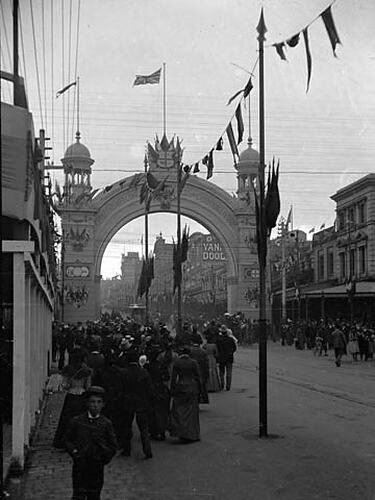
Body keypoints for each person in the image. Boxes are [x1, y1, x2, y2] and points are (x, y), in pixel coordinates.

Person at [65, 386, 118, 500]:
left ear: (103, 405)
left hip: (97, 466)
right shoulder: (77, 421)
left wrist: (104, 457)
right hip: (80, 465)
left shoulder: (106, 423)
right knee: (78, 494)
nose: (95, 405)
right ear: (87, 403)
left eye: (99, 402)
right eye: (92, 402)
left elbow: (113, 445)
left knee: (94, 495)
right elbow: (68, 440)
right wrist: (75, 453)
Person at [53, 348, 92, 449]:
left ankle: (65, 441)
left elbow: (65, 385)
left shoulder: (68, 370)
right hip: (82, 396)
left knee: (67, 420)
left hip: (71, 397)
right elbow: (88, 387)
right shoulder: (87, 371)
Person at [121, 350, 153, 459]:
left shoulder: (123, 373)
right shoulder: (143, 372)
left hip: (128, 402)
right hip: (141, 402)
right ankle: (147, 450)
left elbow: (120, 389)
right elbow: (149, 389)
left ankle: (127, 449)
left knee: (126, 426)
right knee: (144, 428)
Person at [169, 346, 201, 443]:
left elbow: (174, 378)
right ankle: (191, 433)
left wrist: (173, 389)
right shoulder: (193, 362)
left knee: (179, 410)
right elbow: (198, 376)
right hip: (191, 386)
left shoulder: (177, 362)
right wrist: (199, 389)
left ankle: (180, 432)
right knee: (191, 411)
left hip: (181, 385)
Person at [217, 326, 237, 391]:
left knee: (221, 373)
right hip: (229, 358)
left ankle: (222, 385)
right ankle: (228, 386)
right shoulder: (231, 339)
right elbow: (234, 348)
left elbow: (217, 349)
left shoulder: (219, 340)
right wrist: (231, 352)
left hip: (221, 358)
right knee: (229, 373)